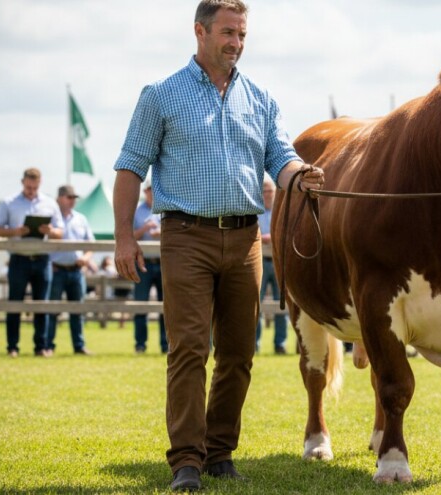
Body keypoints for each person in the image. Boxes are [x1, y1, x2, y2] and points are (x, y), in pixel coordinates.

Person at [112, 1, 324, 490]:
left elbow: (282, 158)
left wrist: (302, 177)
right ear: (200, 32)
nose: (236, 43)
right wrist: (124, 236)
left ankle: (219, 452)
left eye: (243, 34)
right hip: (185, 237)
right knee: (188, 348)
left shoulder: (261, 97)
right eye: (228, 32)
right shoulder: (161, 95)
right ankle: (186, 460)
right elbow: (130, 167)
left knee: (238, 352)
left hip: (247, 238)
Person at [0, 168, 63, 358]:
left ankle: (41, 347)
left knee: (42, 305)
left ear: (40, 183)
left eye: (35, 186)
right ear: (22, 181)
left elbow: (60, 232)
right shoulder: (9, 202)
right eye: (28, 186)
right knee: (14, 304)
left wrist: (49, 230)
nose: (31, 190)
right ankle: (12, 347)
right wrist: (16, 231)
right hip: (19, 260)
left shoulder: (49, 203)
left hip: (42, 259)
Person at [47, 185, 95, 356]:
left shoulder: (81, 218)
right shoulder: (50, 219)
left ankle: (79, 345)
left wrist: (86, 258)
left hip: (76, 270)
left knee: (78, 310)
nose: (73, 200)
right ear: (59, 198)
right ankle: (48, 346)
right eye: (69, 197)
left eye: (74, 197)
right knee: (52, 310)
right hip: (56, 269)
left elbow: (91, 245)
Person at [132, 180, 167, 354]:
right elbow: (130, 236)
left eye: (154, 189)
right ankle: (140, 344)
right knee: (140, 305)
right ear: (145, 191)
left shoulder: (166, 207)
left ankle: (166, 345)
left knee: (166, 307)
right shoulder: (137, 211)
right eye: (148, 190)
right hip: (143, 263)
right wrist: (144, 228)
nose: (151, 193)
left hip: (164, 264)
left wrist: (161, 232)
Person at [255, 177, 288, 355]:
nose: (267, 195)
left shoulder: (281, 210)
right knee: (255, 305)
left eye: (270, 191)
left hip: (278, 263)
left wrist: (269, 237)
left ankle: (280, 343)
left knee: (281, 305)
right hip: (260, 261)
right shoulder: (256, 211)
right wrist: (265, 237)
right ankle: (255, 344)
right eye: (265, 192)